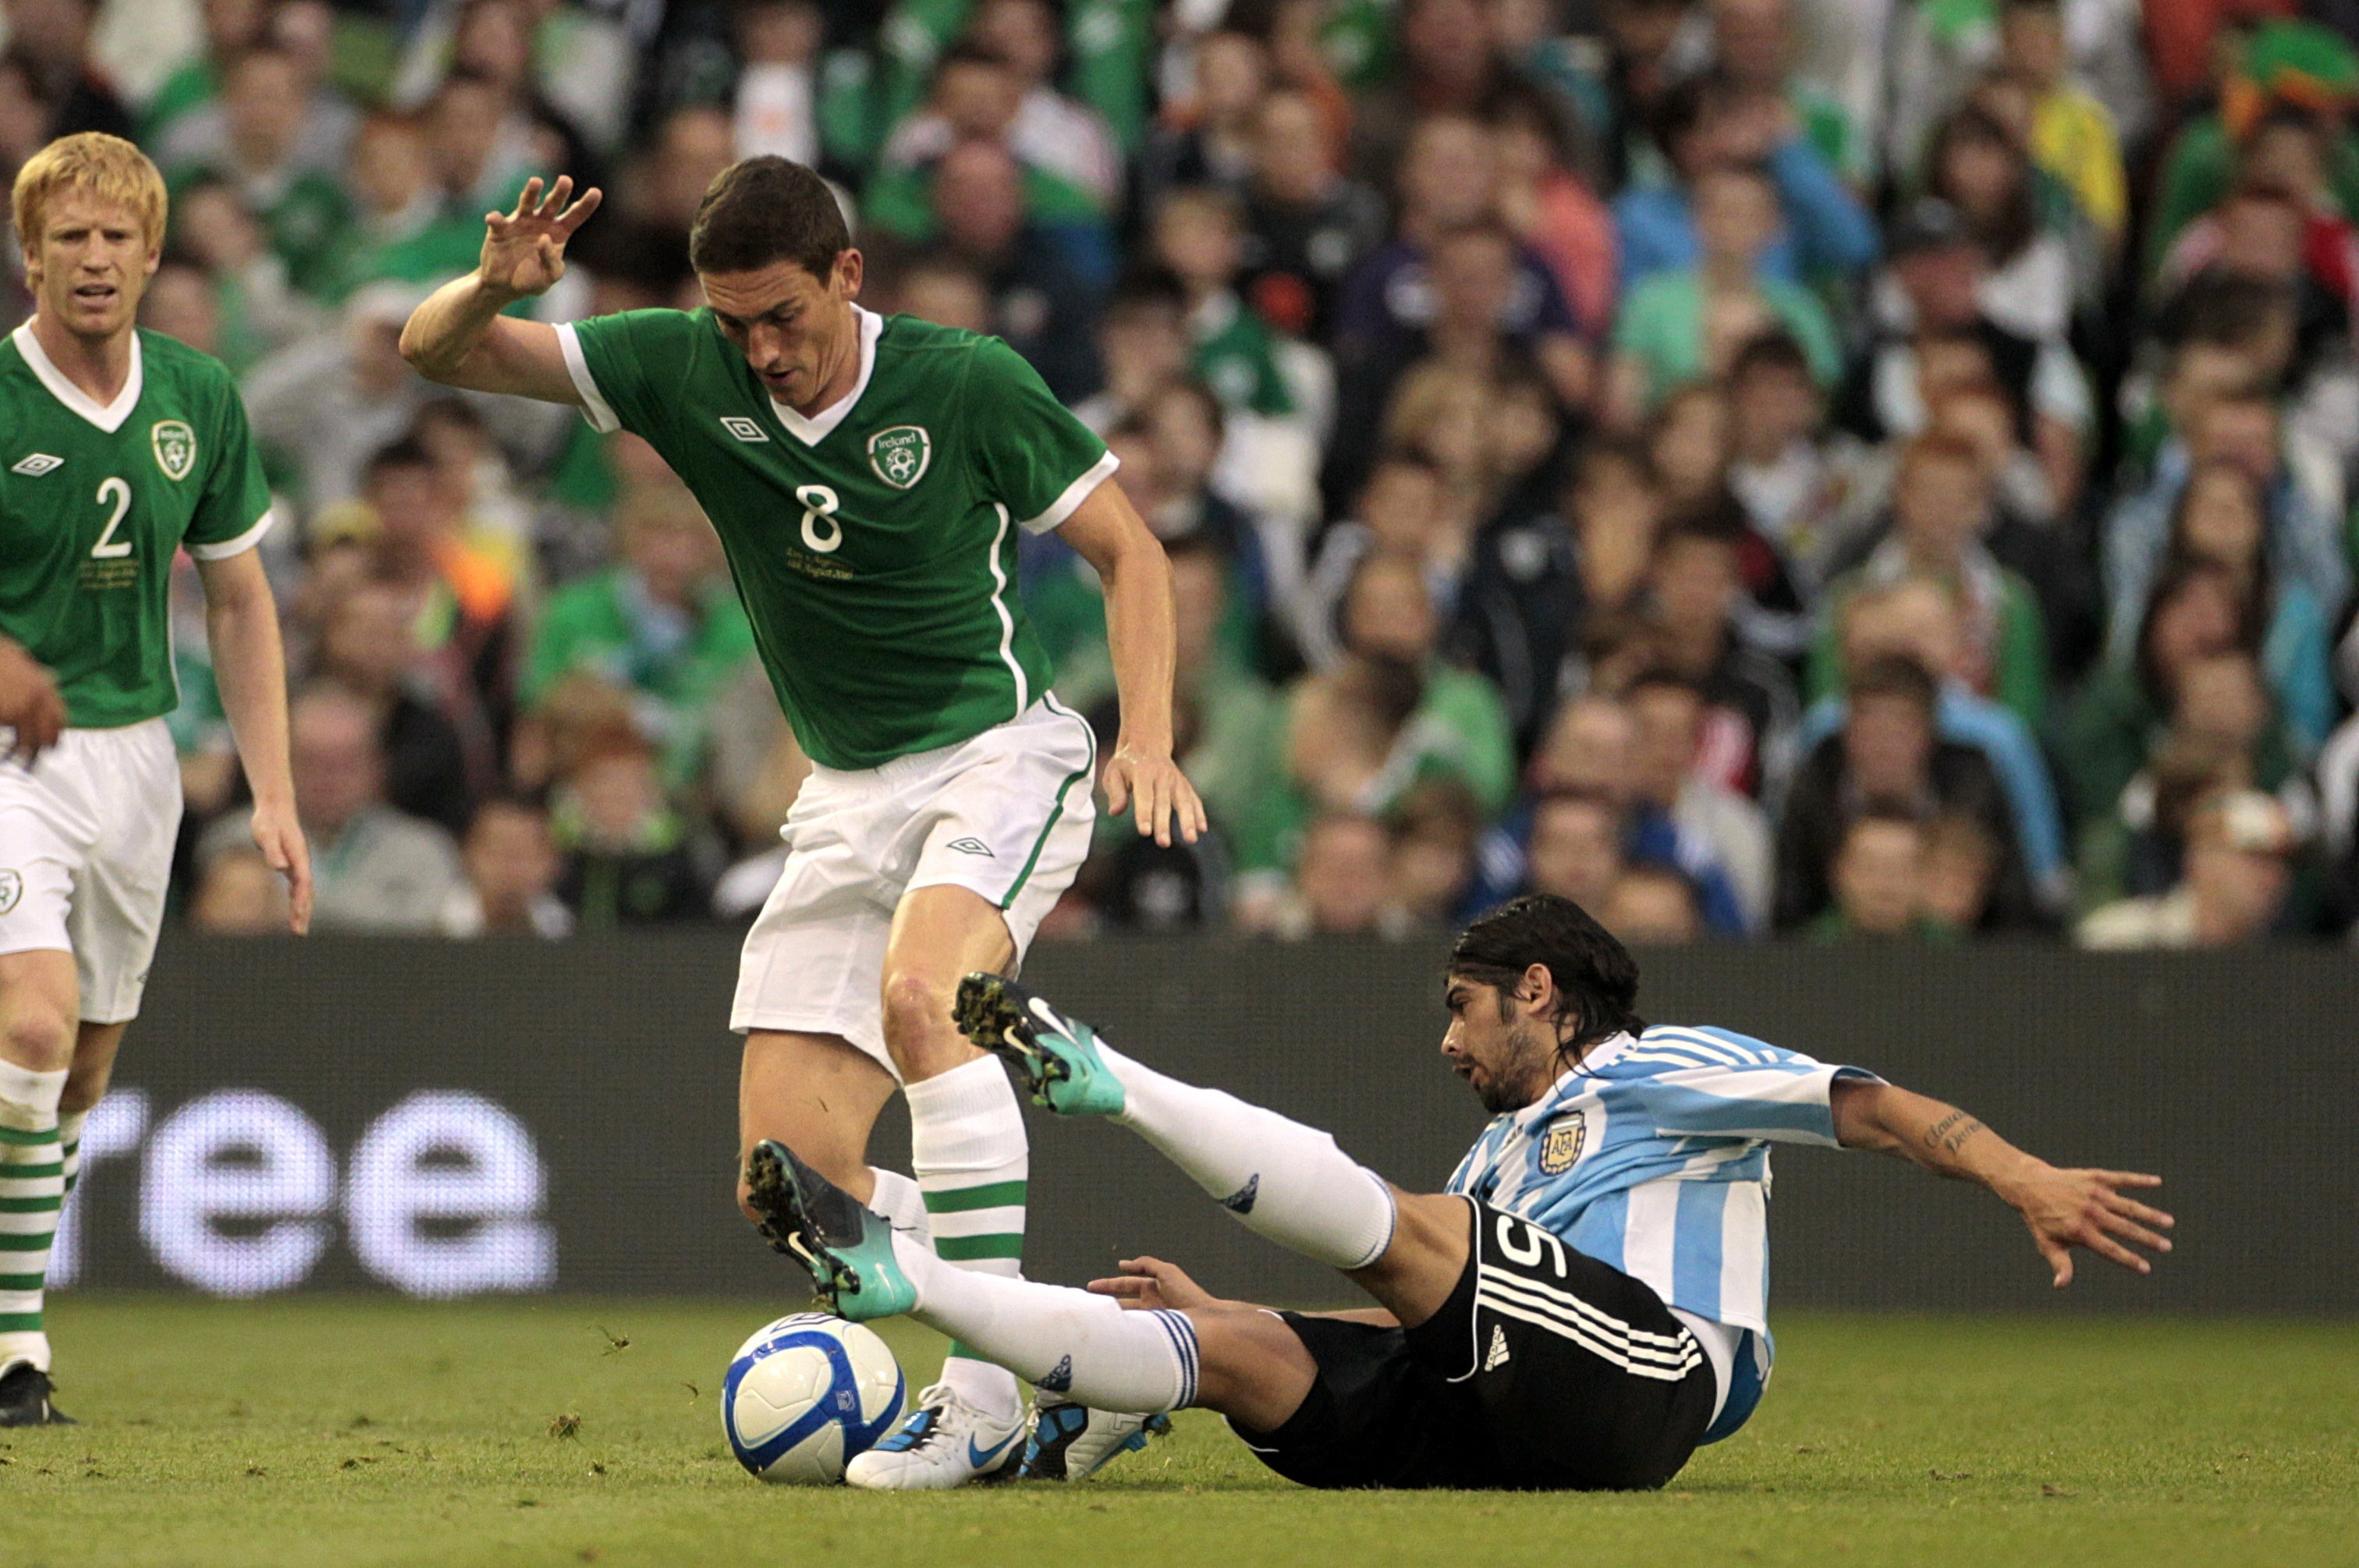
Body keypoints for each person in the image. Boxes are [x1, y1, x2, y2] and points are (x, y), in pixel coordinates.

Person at [397, 155, 1202, 1488]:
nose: (761, 351)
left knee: (924, 1002)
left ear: (848, 275)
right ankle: (1092, 1351)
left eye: (785, 317)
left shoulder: (966, 381)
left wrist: (1153, 734)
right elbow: (439, 361)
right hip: (842, 796)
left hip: (997, 757)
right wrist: (487, 287)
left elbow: (1133, 549)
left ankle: (987, 1401)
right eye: (734, 324)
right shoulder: (682, 362)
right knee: (790, 1184)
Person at [745, 898, 2174, 1491]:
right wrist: (1238, 1311)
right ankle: (911, 1286)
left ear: (1538, 994)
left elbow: (1870, 1111)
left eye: (1462, 1008)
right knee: (1244, 1342)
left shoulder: (1659, 1064)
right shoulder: (1496, 1165)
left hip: (1659, 1374)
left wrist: (2018, 1172)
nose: (1447, 1038)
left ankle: (1103, 1072)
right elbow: (1443, 1296)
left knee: (1413, 1227)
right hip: (1520, 1409)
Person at [0, 133, 310, 1425]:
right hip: (15, 757)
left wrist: (275, 793)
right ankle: (14, 1352)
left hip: (139, 762)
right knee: (28, 1021)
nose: (95, 259)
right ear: (30, 255)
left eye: (117, 237)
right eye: (70, 236)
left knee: (77, 1075)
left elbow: (239, 602)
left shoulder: (200, 396)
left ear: (152, 253)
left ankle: (13, 1317)